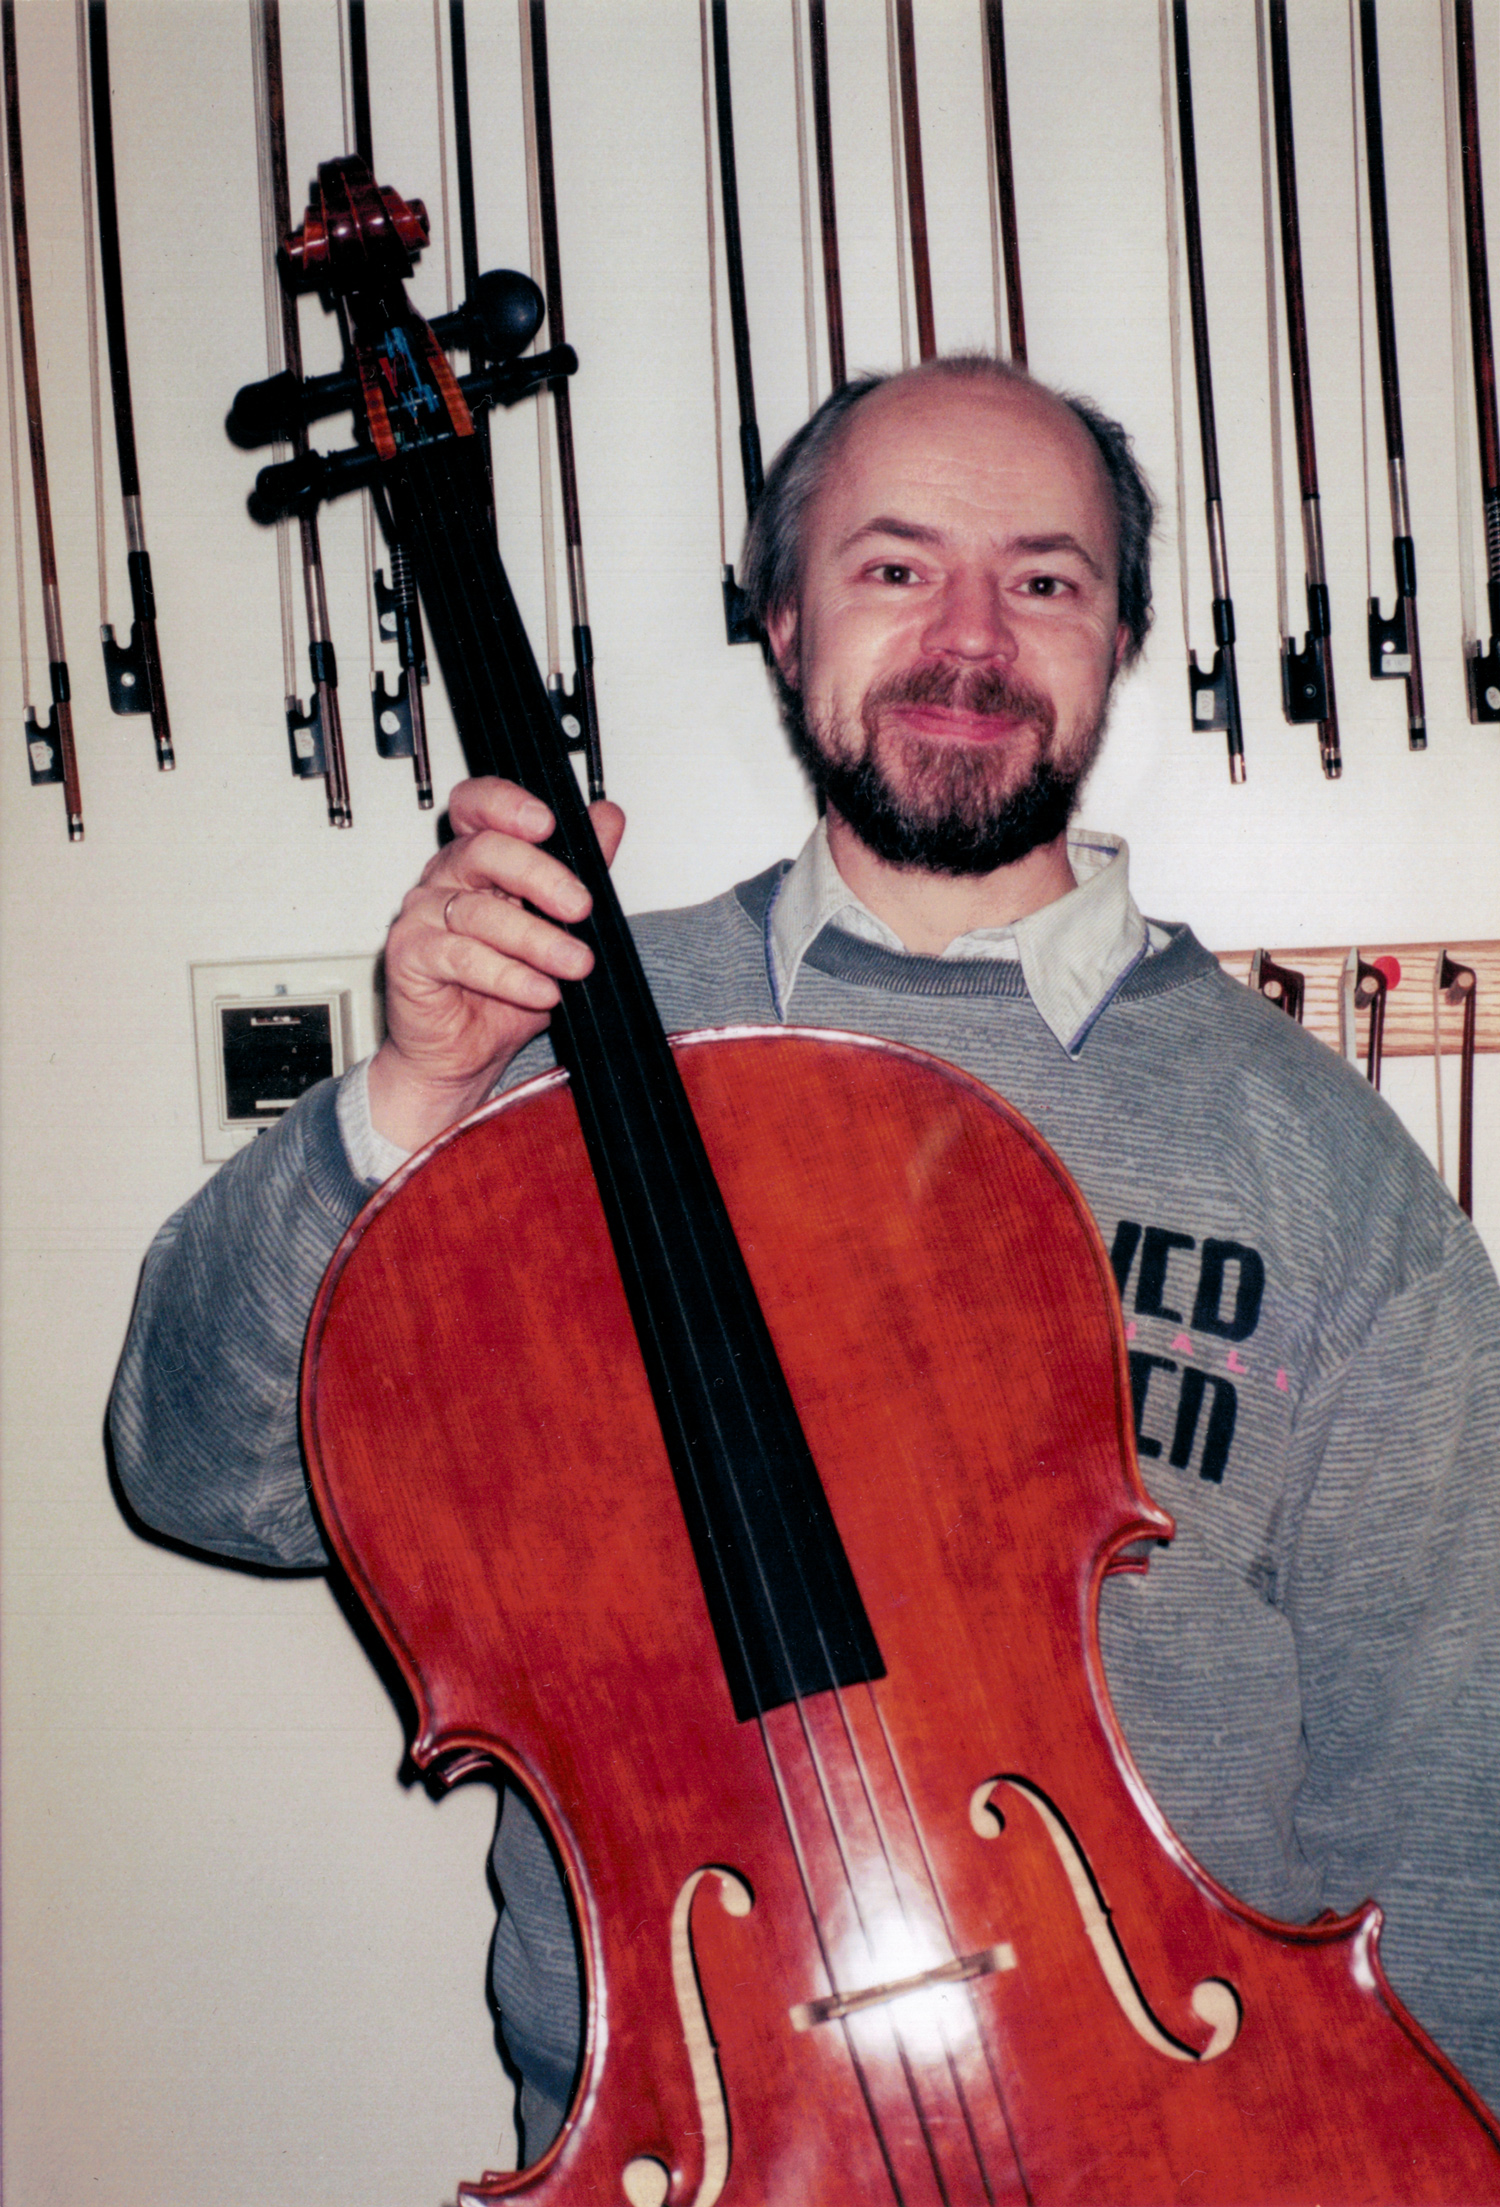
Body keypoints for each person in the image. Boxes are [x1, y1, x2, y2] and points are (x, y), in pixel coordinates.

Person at [111, 355, 1500, 2155]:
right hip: (702, 2133)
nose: (972, 637)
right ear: (781, 618)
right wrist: (405, 1095)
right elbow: (201, 1472)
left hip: (1199, 2125)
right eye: (896, 567)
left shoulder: (1310, 1158)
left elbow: (1449, 1753)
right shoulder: (553, 1039)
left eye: (1047, 577)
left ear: (1119, 636)